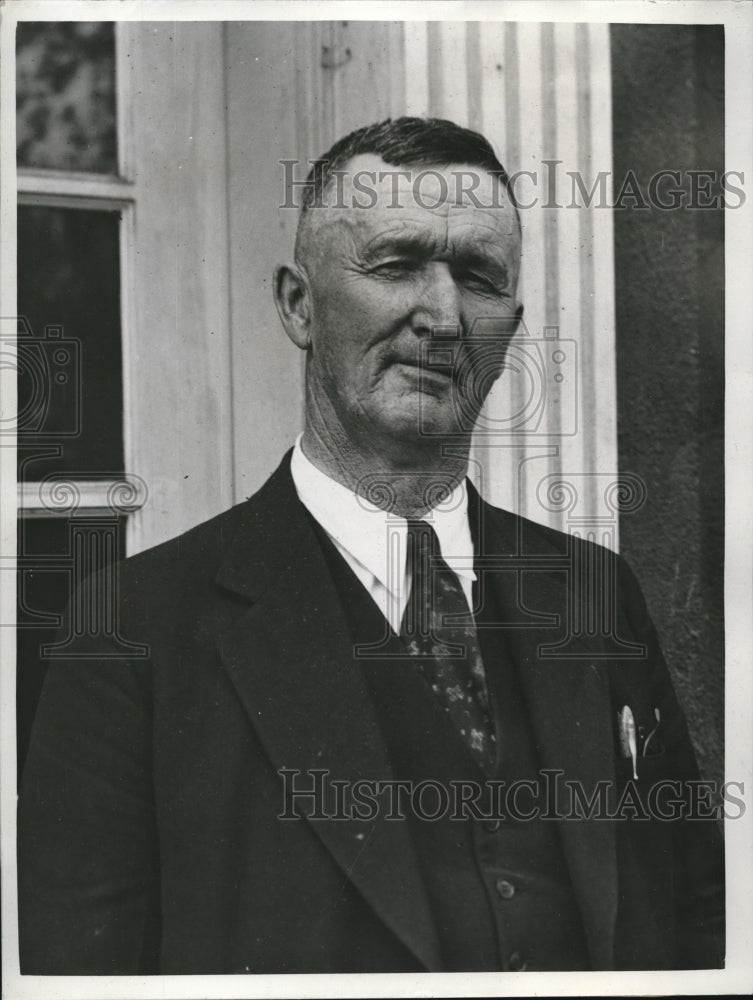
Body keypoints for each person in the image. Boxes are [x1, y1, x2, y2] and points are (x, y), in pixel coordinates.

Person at [18, 117, 724, 974]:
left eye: (478, 276)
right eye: (395, 264)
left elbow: (697, 923)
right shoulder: (130, 626)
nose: (443, 314)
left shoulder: (589, 592)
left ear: (513, 324)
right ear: (297, 303)